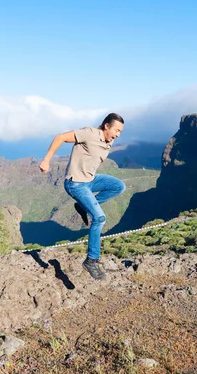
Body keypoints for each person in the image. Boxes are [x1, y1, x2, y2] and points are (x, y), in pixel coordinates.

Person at [39, 113, 126, 280]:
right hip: (76, 184)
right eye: (116, 130)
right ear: (106, 126)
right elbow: (61, 137)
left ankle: (82, 206)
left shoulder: (109, 141)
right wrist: (46, 160)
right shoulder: (89, 133)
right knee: (99, 218)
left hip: (90, 180)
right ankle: (91, 261)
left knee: (119, 186)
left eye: (121, 132)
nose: (118, 135)